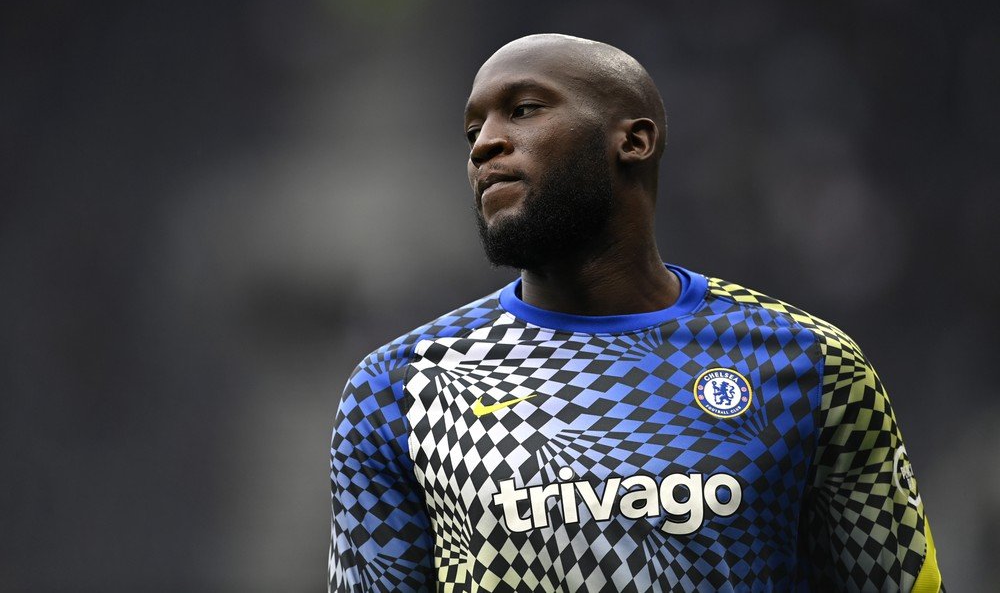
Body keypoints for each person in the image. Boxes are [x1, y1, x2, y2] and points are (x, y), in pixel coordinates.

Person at [328, 34, 943, 592]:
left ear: (634, 140)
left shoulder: (809, 362)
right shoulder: (402, 387)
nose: (485, 144)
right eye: (472, 132)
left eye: (524, 109)